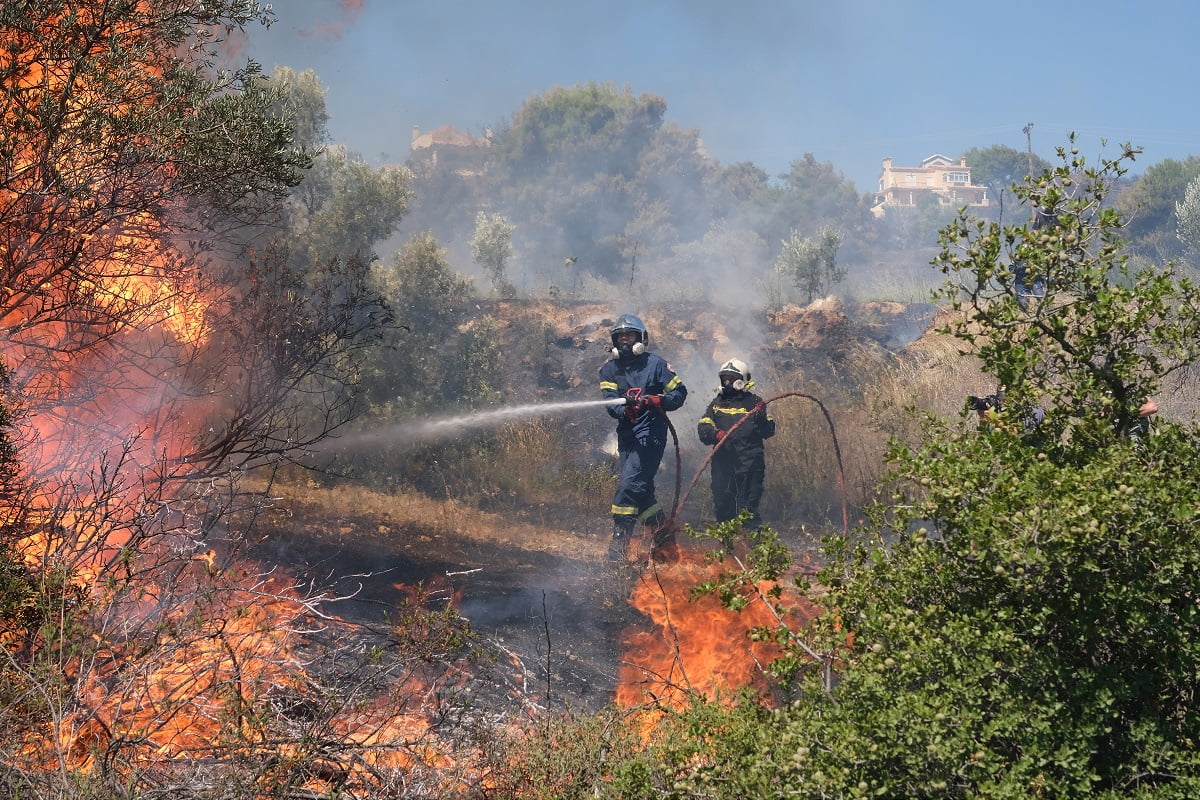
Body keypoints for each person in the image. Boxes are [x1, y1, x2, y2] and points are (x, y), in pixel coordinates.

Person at [599, 314, 687, 560]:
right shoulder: (609, 370)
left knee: (628, 487)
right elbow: (610, 403)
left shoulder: (656, 365)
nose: (625, 340)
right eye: (620, 336)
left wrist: (661, 400)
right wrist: (623, 409)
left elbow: (680, 393)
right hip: (626, 436)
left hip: (651, 435)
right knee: (643, 491)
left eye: (630, 335)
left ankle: (618, 548)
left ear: (641, 338)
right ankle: (663, 538)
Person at [696, 358, 775, 530]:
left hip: (750, 464)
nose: (728, 382)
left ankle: (753, 550)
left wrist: (761, 417)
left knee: (748, 510)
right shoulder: (717, 404)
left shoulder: (756, 403)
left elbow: (769, 430)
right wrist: (716, 434)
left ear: (743, 380)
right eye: (725, 379)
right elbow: (703, 428)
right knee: (723, 507)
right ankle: (729, 550)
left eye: (732, 378)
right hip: (723, 464)